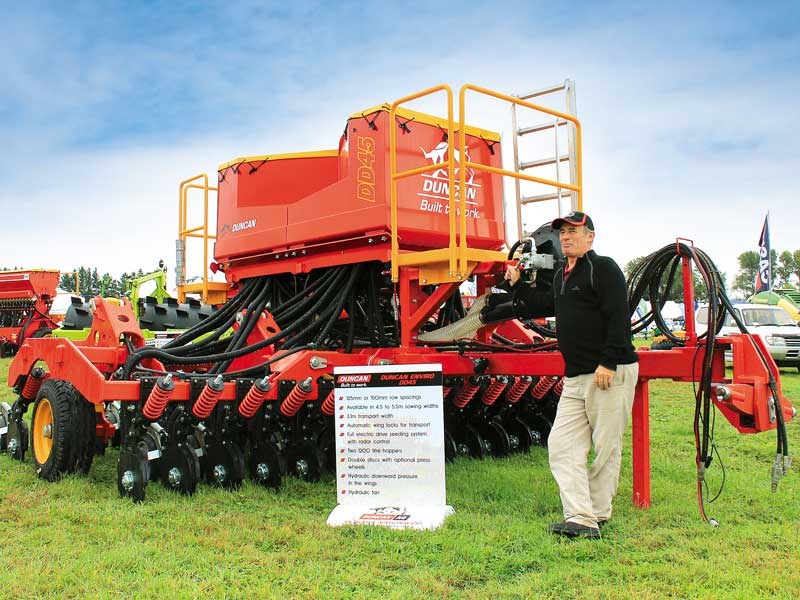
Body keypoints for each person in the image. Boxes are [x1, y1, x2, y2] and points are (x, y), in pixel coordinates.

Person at [505, 211, 639, 540]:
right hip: (576, 376)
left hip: (609, 371)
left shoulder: (603, 269)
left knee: (606, 446)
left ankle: (594, 514)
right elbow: (538, 305)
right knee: (562, 444)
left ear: (590, 237)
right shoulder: (563, 276)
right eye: (563, 233)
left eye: (573, 232)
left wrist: (608, 361)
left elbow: (618, 317)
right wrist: (517, 284)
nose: (565, 237)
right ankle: (581, 515)